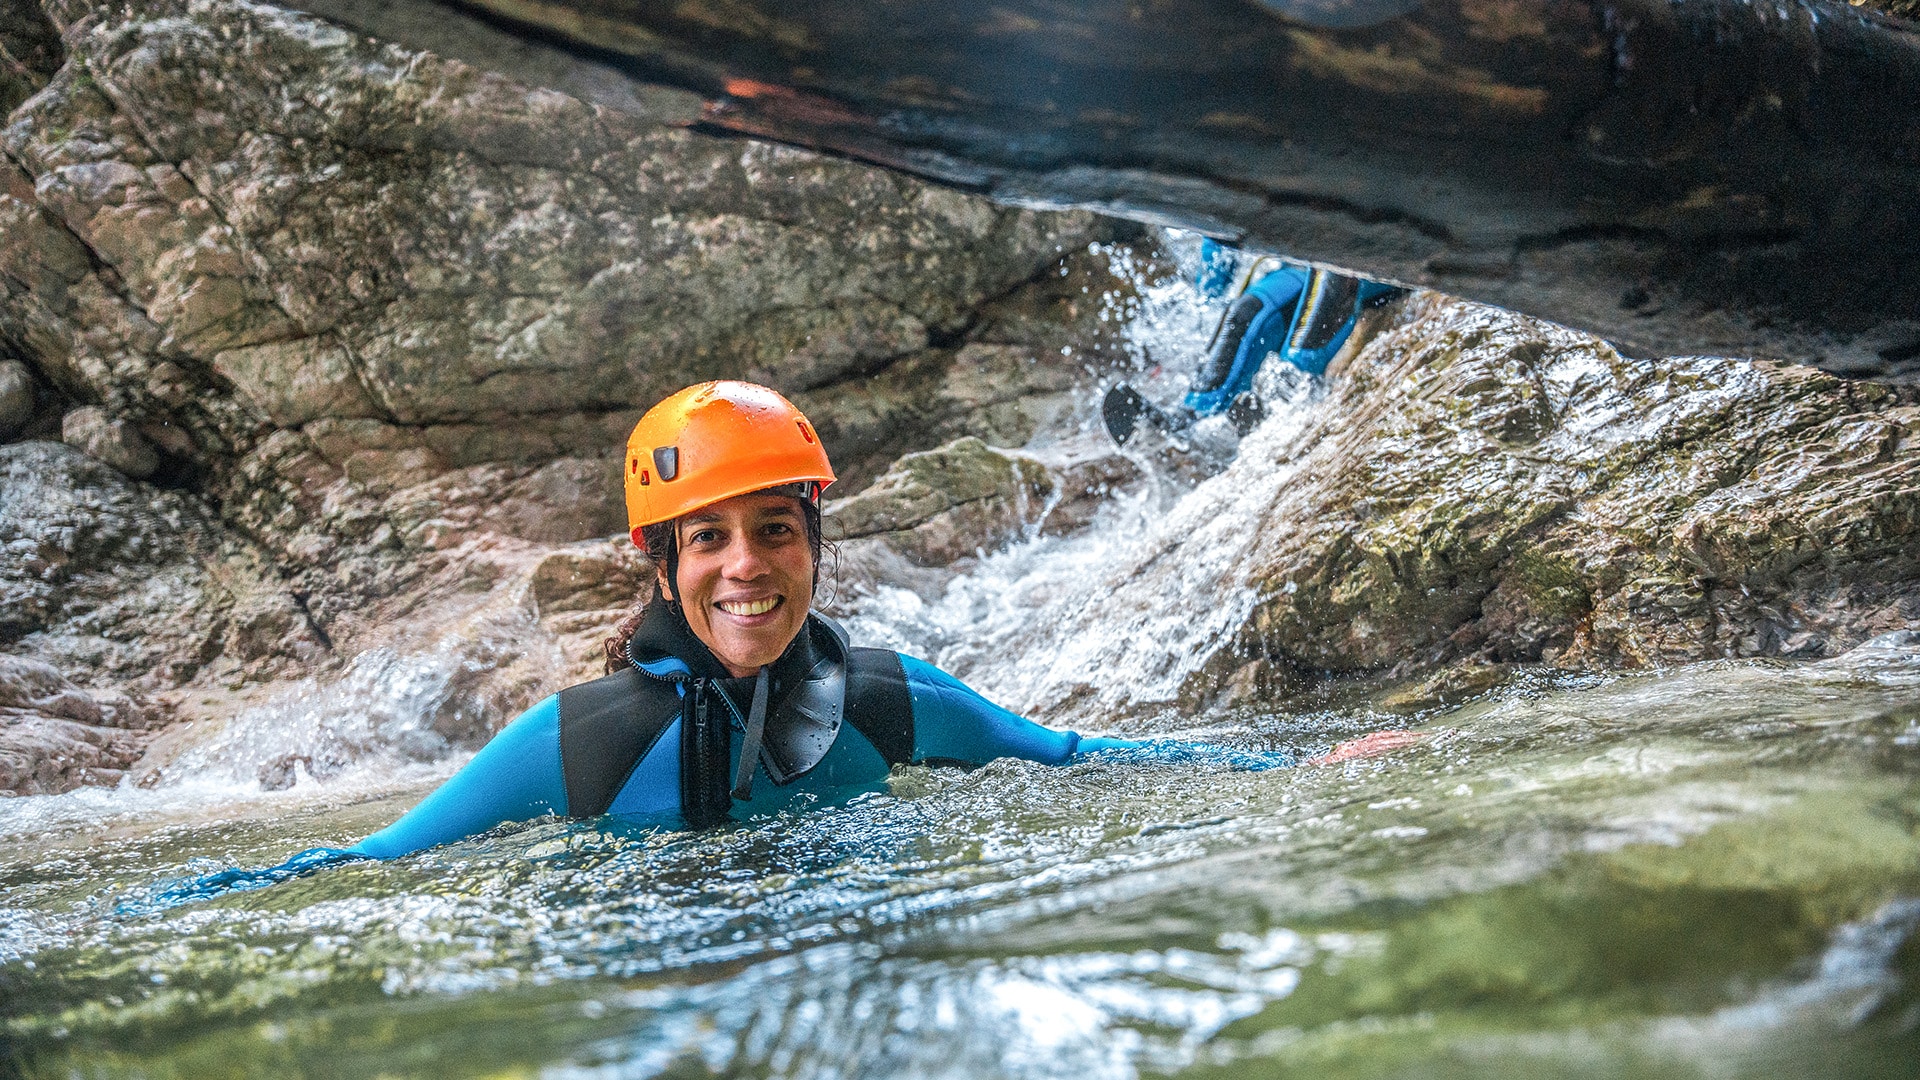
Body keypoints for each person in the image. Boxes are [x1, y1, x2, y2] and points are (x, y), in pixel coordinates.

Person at [1103, 239, 1404, 445]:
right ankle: (1193, 418)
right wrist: (1206, 302)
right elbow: (1220, 231)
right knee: (1245, 314)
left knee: (1331, 279)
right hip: (1306, 263)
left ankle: (1294, 395)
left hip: (1371, 258)